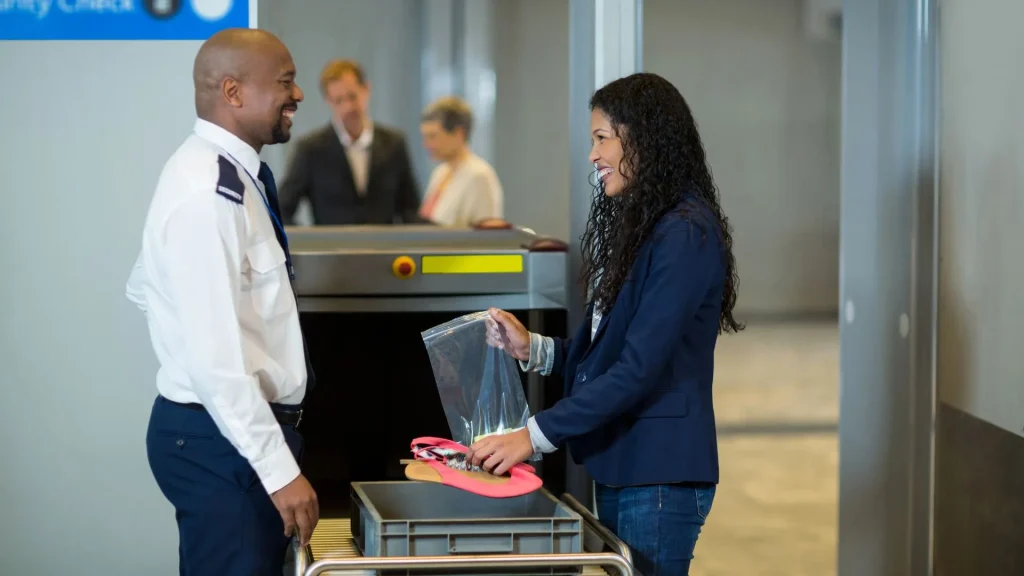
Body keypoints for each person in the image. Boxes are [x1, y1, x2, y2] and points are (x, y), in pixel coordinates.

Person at [466, 72, 743, 576]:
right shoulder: (647, 224)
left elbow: (638, 369)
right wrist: (537, 349)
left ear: (643, 137)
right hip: (625, 465)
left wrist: (532, 436)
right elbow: (612, 352)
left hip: (659, 474)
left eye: (602, 138)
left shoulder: (685, 233)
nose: (592, 155)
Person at [125, 28, 319, 575]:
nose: (298, 95)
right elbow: (214, 360)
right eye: (285, 82)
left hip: (229, 434)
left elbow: (145, 286)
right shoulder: (205, 193)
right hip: (221, 443)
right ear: (233, 93)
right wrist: (278, 470)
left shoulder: (234, 175)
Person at [277, 59, 422, 225]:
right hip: (332, 249)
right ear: (328, 101)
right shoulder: (310, 149)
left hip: (384, 250)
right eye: (339, 100)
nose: (348, 107)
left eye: (352, 97)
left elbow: (410, 210)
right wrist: (310, 244)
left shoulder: (394, 144)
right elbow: (282, 210)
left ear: (366, 90)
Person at [418, 96, 504, 227]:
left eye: (433, 136)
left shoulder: (479, 176)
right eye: (425, 136)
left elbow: (487, 238)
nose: (426, 144)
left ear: (458, 133)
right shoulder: (440, 172)